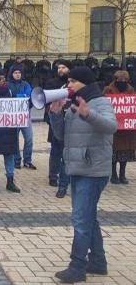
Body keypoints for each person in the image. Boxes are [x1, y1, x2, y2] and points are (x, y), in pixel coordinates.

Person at [49, 66, 117, 283]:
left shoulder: (100, 103)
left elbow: (111, 126)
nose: (68, 85)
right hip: (76, 168)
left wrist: (88, 115)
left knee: (80, 219)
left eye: (72, 81)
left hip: (94, 169)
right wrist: (56, 114)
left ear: (84, 83)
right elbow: (61, 137)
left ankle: (77, 266)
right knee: (89, 217)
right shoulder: (74, 105)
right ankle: (97, 262)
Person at [102, 70, 135, 184]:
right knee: (113, 153)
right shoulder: (108, 89)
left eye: (125, 80)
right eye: (120, 80)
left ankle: (122, 175)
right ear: (115, 80)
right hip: (113, 128)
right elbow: (103, 104)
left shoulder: (131, 90)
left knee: (124, 154)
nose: (123, 82)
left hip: (126, 130)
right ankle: (113, 175)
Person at [46, 60, 72, 198]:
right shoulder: (52, 83)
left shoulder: (74, 85)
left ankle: (65, 180)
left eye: (63, 67)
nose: (60, 70)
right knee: (55, 150)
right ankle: (52, 176)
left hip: (70, 123)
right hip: (56, 121)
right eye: (59, 68)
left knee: (66, 154)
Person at [8, 64, 35, 170]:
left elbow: (29, 96)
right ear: (12, 74)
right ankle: (16, 160)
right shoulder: (8, 85)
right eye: (15, 73)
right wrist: (21, 97)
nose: (17, 74)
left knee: (29, 139)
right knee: (15, 140)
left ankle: (27, 161)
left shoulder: (26, 84)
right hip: (13, 116)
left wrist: (19, 97)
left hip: (25, 115)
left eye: (19, 73)